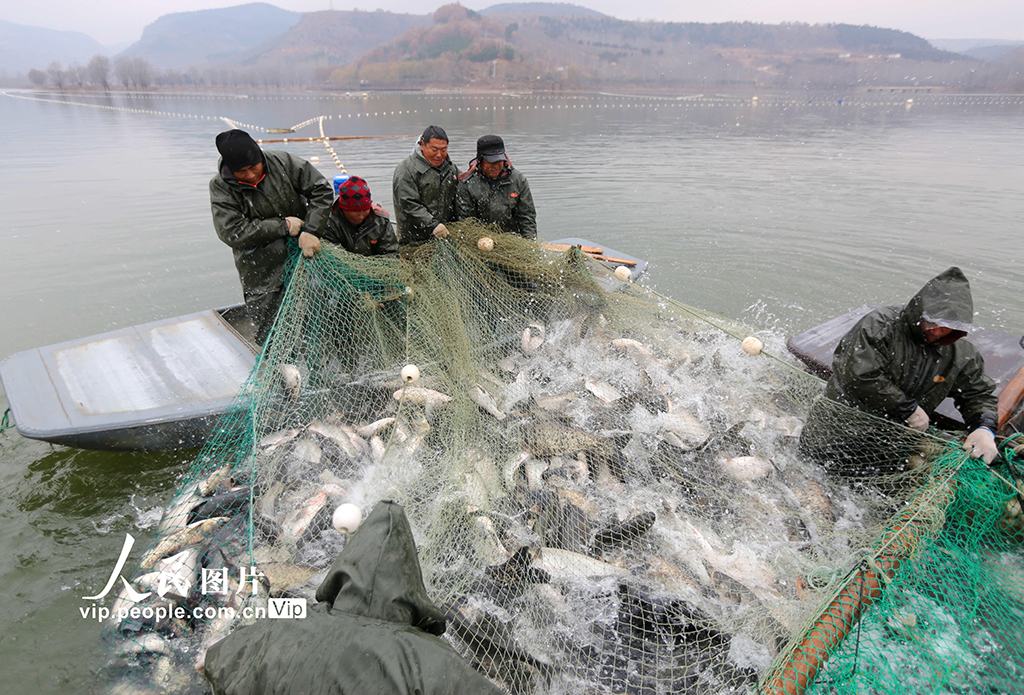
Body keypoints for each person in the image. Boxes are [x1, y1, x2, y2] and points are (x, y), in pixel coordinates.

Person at [203, 501, 505, 695]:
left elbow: (215, 660)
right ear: (409, 579)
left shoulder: (277, 628)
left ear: (342, 570)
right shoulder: (427, 657)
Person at [799, 266, 1000, 476]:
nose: (937, 330)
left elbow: (978, 394)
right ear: (919, 310)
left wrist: (983, 427)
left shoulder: (961, 354)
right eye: (932, 321)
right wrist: (907, 409)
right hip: (837, 433)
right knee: (813, 476)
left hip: (893, 445)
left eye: (947, 326)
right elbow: (859, 375)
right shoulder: (880, 325)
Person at [210, 129, 333, 344]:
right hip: (259, 269)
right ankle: (279, 371)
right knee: (271, 332)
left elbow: (321, 191)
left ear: (260, 156)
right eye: (241, 171)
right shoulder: (221, 187)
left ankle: (319, 367)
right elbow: (230, 231)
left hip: (302, 258)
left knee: (318, 318)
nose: (250, 175)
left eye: (253, 167)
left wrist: (311, 231)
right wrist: (283, 226)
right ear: (230, 168)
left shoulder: (284, 163)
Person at [456, 134, 537, 240]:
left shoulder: (518, 180)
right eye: (491, 161)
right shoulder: (468, 184)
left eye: (499, 160)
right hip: (480, 241)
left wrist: (530, 244)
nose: (496, 166)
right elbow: (466, 222)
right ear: (480, 159)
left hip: (512, 241)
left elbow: (527, 218)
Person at [392, 125, 460, 244]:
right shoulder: (406, 170)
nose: (439, 155)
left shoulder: (451, 169)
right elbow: (408, 204)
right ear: (422, 145)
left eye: (443, 150)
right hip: (415, 242)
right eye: (434, 150)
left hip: (444, 238)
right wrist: (433, 225)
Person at [320, 175, 399, 256]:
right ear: (343, 209)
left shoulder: (381, 222)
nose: (361, 216)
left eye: (365, 210)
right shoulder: (328, 223)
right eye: (355, 211)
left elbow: (391, 253)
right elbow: (331, 256)